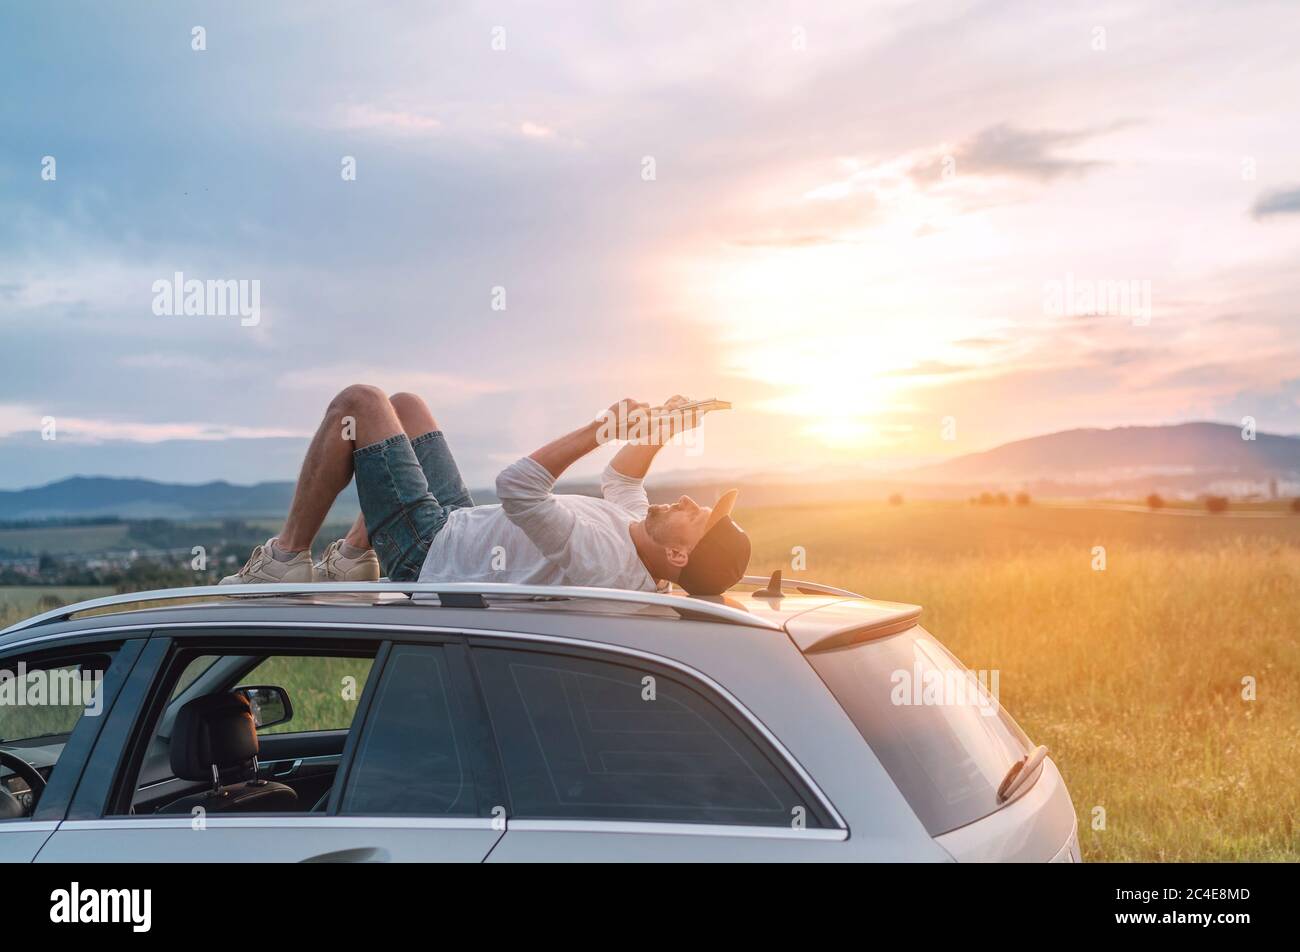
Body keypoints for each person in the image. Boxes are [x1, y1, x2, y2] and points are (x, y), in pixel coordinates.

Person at [220, 387, 750, 596]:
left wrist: (601, 429)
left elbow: (518, 487)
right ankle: (357, 557)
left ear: (679, 553)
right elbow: (623, 482)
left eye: (697, 516)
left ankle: (285, 560)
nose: (687, 500)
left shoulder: (605, 562)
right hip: (459, 526)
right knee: (405, 407)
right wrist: (662, 431)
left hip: (431, 554)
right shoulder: (640, 538)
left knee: (358, 405)